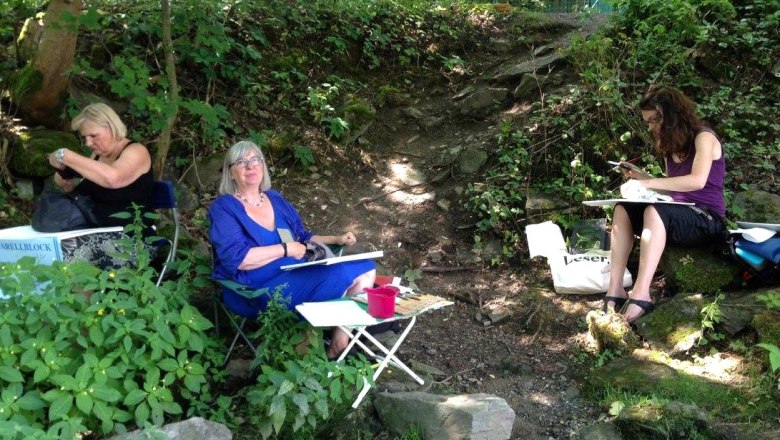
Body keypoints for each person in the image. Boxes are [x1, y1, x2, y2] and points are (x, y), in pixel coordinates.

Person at [209, 140, 377, 359]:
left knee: (365, 268)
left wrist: (336, 238)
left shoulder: (275, 199)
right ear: (231, 173)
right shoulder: (224, 208)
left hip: (295, 272)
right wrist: (285, 249)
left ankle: (340, 340)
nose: (250, 166)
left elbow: (302, 238)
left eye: (255, 159)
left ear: (263, 166)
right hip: (254, 288)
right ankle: (310, 344)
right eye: (241, 162)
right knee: (338, 275)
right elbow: (239, 259)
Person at [603, 86, 726, 322]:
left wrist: (650, 182)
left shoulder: (704, 138)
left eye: (653, 120)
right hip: (675, 215)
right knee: (622, 209)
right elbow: (671, 186)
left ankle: (641, 294)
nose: (650, 127)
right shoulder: (670, 147)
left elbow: (697, 181)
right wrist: (641, 177)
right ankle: (615, 288)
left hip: (706, 218)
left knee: (654, 210)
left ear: (669, 116)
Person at [47, 103, 154, 267]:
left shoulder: (136, 151)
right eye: (85, 138)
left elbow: (113, 179)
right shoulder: (98, 155)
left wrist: (66, 155)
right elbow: (82, 184)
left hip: (131, 239)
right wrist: (63, 175)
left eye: (93, 136)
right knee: (45, 247)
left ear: (111, 127)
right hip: (93, 230)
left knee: (71, 256)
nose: (88, 143)